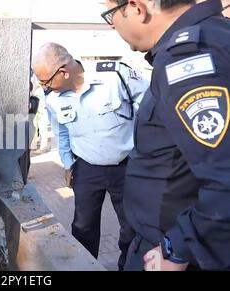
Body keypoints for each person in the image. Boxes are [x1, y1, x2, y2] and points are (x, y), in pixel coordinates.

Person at [102, 0, 230, 270]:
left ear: (137, 7)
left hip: (171, 253)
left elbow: (225, 175)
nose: (112, 24)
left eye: (110, 13)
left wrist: (180, 247)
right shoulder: (214, 37)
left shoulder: (188, 57)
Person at [32, 43, 149, 270]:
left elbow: (149, 111)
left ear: (63, 72)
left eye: (45, 81)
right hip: (86, 168)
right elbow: (61, 132)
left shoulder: (116, 76)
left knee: (131, 227)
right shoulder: (54, 98)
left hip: (127, 166)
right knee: (83, 227)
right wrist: (68, 164)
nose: (42, 86)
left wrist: (147, 158)